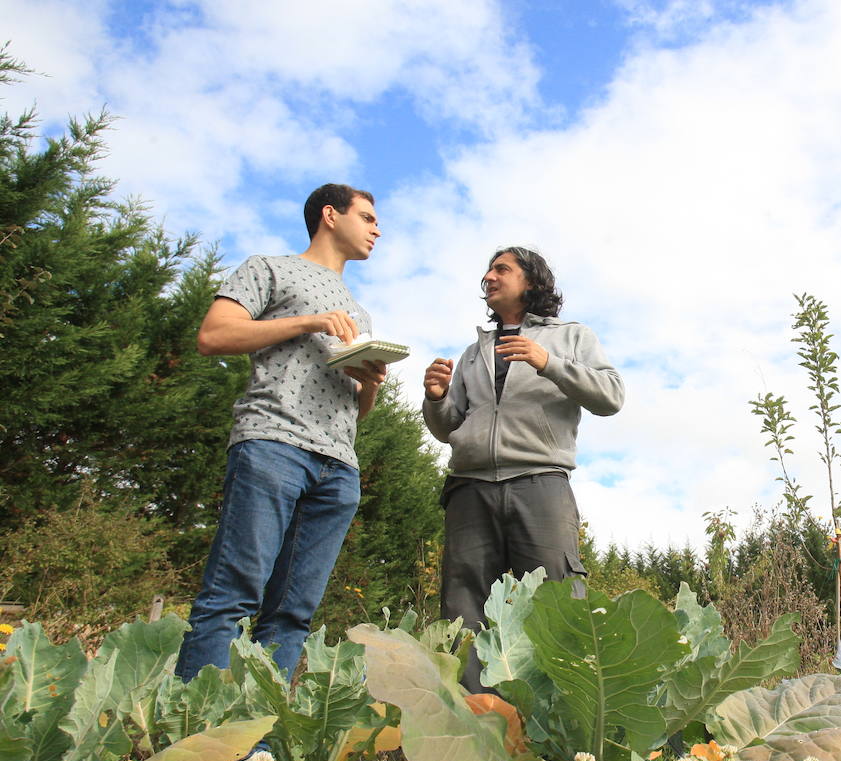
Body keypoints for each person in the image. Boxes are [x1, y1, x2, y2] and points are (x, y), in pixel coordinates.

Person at [174, 183, 387, 685]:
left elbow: (357, 413)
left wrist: (369, 384)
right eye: (368, 217)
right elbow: (214, 335)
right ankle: (187, 739)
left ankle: (256, 757)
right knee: (233, 595)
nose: (377, 229)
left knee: (293, 614)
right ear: (330, 215)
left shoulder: (361, 313)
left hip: (338, 468)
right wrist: (308, 321)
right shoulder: (268, 268)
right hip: (272, 444)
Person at [423, 246, 623, 692]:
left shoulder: (572, 337)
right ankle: (471, 720)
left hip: (541, 482)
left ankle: (564, 724)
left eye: (501, 269)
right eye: (488, 270)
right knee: (463, 608)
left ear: (531, 281)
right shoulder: (474, 353)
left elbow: (611, 396)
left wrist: (547, 363)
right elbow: (448, 427)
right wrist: (436, 397)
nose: (489, 277)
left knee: (557, 601)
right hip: (469, 488)